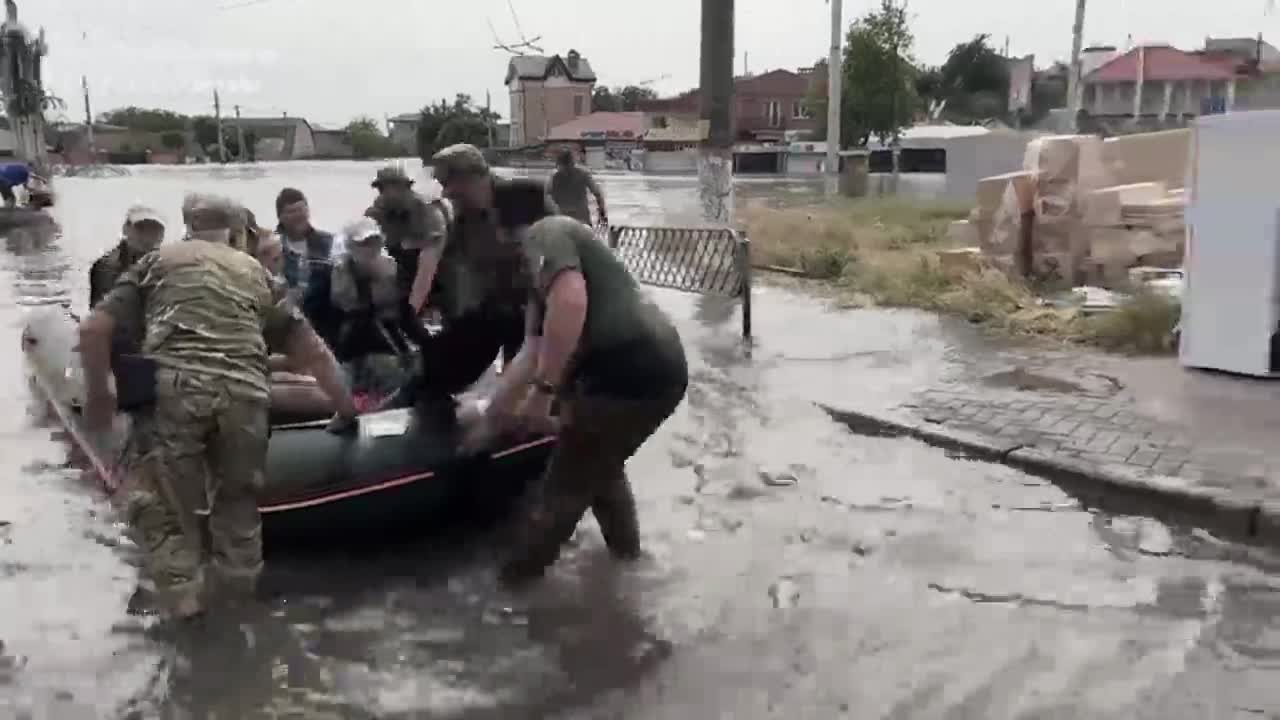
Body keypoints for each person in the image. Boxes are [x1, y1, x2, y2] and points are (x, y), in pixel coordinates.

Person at [77, 194, 358, 620]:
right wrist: (346, 408)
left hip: (177, 396)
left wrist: (100, 393)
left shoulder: (156, 263)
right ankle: (239, 615)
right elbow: (312, 351)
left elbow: (94, 327)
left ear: (187, 223)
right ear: (234, 229)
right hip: (244, 399)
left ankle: (187, 621)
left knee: (164, 509)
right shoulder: (256, 273)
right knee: (239, 507)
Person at [464, 215, 688, 587]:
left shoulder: (545, 233)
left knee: (562, 492)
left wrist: (543, 393)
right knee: (601, 467)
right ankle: (628, 563)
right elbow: (531, 352)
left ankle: (511, 593)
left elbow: (570, 303)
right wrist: (493, 414)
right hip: (643, 369)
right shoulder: (534, 282)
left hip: (631, 371)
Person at [399, 143, 557, 412]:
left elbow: (558, 252)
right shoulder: (462, 219)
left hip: (543, 303)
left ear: (474, 177)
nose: (446, 192)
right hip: (498, 304)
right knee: (447, 355)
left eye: (450, 183)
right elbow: (464, 275)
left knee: (522, 368)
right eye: (442, 184)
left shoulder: (522, 196)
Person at [327, 218, 413, 400]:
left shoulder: (391, 267)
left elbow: (402, 309)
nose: (369, 249)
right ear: (351, 246)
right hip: (350, 348)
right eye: (363, 244)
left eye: (373, 242)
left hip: (387, 344)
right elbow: (345, 304)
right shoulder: (340, 271)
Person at [363, 165, 449, 319]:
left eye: (393, 187)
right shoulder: (378, 211)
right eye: (381, 189)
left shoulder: (428, 211)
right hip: (400, 280)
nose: (386, 194)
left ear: (405, 187)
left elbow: (427, 268)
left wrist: (411, 313)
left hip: (437, 283)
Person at [89, 205, 165, 310]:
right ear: (126, 229)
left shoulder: (165, 264)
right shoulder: (107, 266)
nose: (147, 237)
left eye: (153, 230)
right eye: (141, 229)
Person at [547, 148, 606, 226]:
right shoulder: (583, 173)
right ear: (572, 161)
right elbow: (597, 193)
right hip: (581, 218)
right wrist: (602, 212)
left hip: (562, 218)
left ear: (559, 162)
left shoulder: (554, 176)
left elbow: (548, 196)